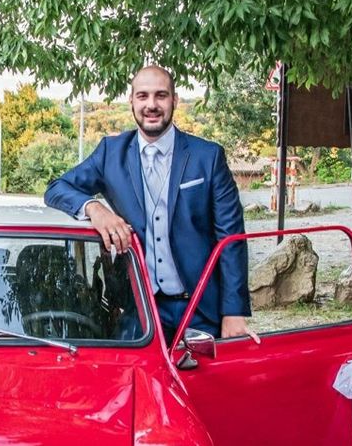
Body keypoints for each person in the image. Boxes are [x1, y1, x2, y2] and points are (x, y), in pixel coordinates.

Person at [44, 65, 256, 342]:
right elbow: (56, 188)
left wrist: (234, 313)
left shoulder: (208, 157)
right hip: (140, 310)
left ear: (175, 101)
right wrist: (95, 209)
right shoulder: (111, 153)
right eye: (142, 96)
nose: (152, 105)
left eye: (161, 96)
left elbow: (232, 239)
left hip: (200, 308)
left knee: (204, 384)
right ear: (132, 101)